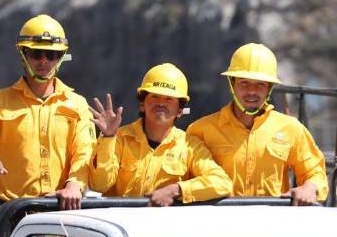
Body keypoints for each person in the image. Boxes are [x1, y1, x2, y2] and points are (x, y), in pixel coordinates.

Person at [0, 14, 95, 210]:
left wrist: (74, 184)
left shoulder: (77, 104)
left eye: (51, 55)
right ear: (23, 54)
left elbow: (85, 150)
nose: (44, 61)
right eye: (36, 54)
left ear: (61, 57)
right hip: (15, 212)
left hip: (63, 209)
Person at [186, 43, 329, 205]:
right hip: (221, 225)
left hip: (270, 225)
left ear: (269, 88)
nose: (252, 91)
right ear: (232, 84)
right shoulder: (201, 130)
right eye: (244, 83)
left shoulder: (291, 128)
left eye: (260, 84)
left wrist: (309, 187)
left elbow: (315, 171)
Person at [88, 63, 231, 206]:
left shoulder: (190, 147)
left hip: (165, 227)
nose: (161, 103)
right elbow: (100, 185)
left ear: (180, 110)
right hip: (121, 225)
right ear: (142, 104)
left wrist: (176, 190)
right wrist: (108, 137)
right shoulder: (118, 139)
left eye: (169, 99)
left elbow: (222, 183)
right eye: (155, 96)